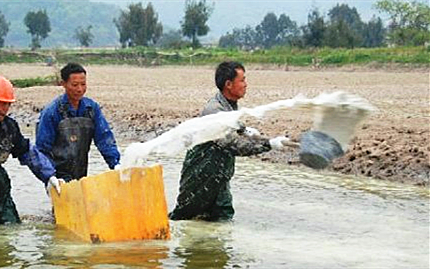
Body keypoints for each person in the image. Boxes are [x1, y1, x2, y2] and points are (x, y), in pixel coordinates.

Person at [169, 61, 289, 221]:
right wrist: (269, 144)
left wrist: (246, 131)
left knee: (223, 218)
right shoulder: (214, 111)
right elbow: (233, 145)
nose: (246, 85)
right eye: (242, 80)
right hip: (199, 179)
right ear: (228, 84)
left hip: (219, 179)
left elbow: (235, 128)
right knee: (184, 219)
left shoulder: (229, 107)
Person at [36, 63, 120, 182]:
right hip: (57, 175)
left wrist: (115, 164)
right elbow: (42, 149)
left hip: (81, 172)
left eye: (83, 84)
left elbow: (104, 138)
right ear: (63, 84)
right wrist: (49, 176)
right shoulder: (51, 112)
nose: (79, 89)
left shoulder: (92, 108)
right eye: (75, 85)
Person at [0, 76, 62, 225]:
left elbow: (27, 153)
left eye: (7, 104)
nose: (3, 109)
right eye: (0, 103)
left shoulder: (9, 127)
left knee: (11, 227)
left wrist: (49, 176)